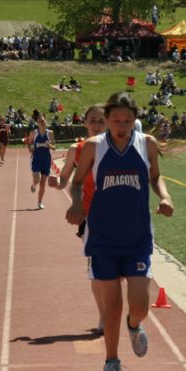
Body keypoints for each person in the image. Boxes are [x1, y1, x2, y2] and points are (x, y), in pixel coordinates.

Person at [64, 92, 174, 371]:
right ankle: (112, 361)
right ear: (108, 118)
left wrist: (165, 196)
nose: (121, 125)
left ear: (135, 119)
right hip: (102, 236)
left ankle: (134, 324)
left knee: (139, 305)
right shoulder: (92, 147)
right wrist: (76, 204)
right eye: (115, 120)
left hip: (137, 236)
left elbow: (155, 176)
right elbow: (76, 184)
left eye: (127, 120)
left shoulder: (145, 144)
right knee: (110, 308)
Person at [53, 104, 108, 334]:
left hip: (120, 214)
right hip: (91, 215)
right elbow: (65, 179)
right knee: (96, 268)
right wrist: (56, 183)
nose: (97, 125)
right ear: (85, 123)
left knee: (118, 272)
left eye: (101, 121)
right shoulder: (77, 149)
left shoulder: (119, 146)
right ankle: (104, 318)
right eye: (93, 120)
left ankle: (123, 313)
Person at [26, 114, 55, 209]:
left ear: (45, 121)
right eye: (40, 121)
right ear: (37, 123)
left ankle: (39, 202)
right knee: (37, 179)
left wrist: (49, 145)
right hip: (36, 159)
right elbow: (29, 143)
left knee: (43, 184)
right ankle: (34, 184)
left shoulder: (50, 133)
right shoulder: (34, 133)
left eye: (43, 121)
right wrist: (30, 148)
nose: (42, 122)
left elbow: (54, 147)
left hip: (46, 160)